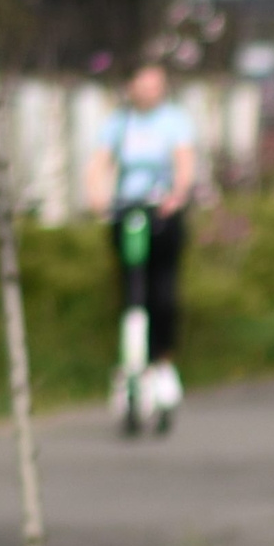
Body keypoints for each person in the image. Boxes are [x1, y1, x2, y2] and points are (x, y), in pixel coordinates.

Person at [85, 64, 199, 420]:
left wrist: (177, 194)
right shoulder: (119, 124)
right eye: (142, 85)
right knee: (130, 291)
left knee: (162, 294)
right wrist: (97, 198)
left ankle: (162, 362)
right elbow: (98, 163)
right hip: (127, 213)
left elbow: (184, 161)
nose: (148, 92)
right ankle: (129, 365)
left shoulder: (173, 122)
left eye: (155, 86)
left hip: (162, 215)